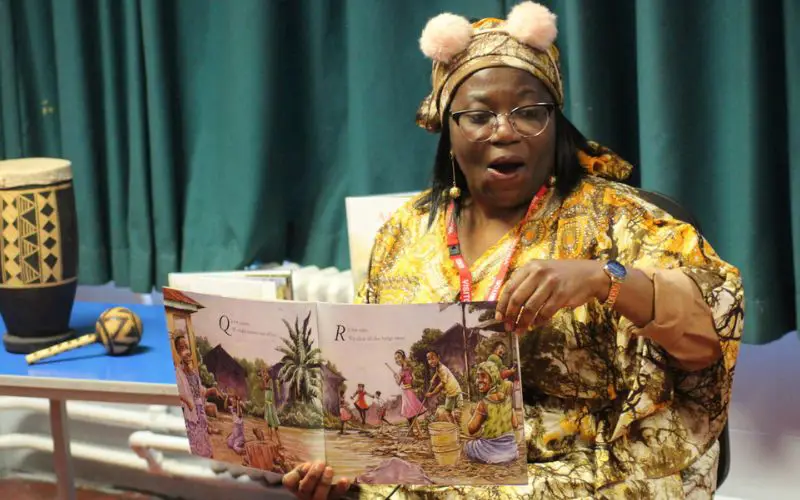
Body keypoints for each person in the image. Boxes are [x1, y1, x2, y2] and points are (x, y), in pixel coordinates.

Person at [282, 2, 743, 499]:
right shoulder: (403, 234)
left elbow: (710, 332)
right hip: (431, 475)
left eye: (529, 113)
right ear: (448, 127)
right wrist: (342, 471)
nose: (504, 130)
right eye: (479, 115)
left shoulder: (618, 219)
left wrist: (603, 278)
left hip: (585, 478)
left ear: (556, 122)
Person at [464, 361, 519, 464]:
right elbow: (515, 424)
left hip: (491, 451)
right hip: (511, 450)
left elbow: (471, 429)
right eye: (478, 377)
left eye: (483, 376)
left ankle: (493, 458)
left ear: (493, 378)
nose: (479, 380)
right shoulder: (508, 399)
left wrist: (474, 414)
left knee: (468, 446)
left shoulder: (484, 403)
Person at [174, 335, 214, 458]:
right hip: (190, 414)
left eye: (186, 347)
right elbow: (175, 393)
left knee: (205, 445)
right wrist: (187, 401)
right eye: (181, 348)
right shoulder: (178, 373)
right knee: (194, 446)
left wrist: (212, 390)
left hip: (200, 413)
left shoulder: (195, 373)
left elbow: (200, 392)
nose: (185, 351)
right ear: (178, 352)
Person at [424, 351, 463, 424]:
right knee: (448, 411)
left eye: (432, 358)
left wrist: (431, 394)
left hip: (455, 390)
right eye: (428, 359)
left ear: (438, 357)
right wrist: (433, 378)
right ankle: (454, 427)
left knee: (456, 411)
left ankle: (457, 426)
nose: (430, 361)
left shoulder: (442, 369)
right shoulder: (438, 366)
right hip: (450, 391)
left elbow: (441, 385)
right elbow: (437, 372)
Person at [393, 349, 425, 437]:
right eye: (395, 358)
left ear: (403, 357)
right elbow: (398, 383)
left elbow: (413, 380)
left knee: (413, 412)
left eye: (398, 357)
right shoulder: (400, 371)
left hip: (410, 392)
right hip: (405, 392)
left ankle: (419, 432)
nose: (397, 360)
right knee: (410, 412)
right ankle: (414, 432)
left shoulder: (409, 368)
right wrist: (396, 377)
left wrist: (413, 386)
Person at [260, 368, 282, 446]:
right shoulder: (266, 381)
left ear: (268, 374)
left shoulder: (270, 381)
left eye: (265, 373)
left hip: (270, 405)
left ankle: (280, 442)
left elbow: (266, 387)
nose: (264, 375)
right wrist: (262, 379)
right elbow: (261, 388)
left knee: (275, 425)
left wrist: (263, 378)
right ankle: (270, 440)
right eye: (263, 374)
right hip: (267, 405)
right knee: (269, 424)